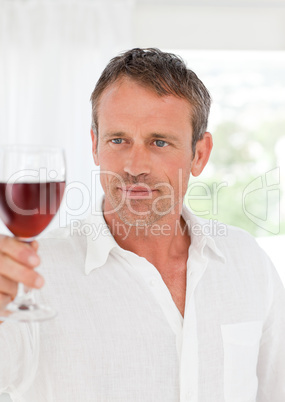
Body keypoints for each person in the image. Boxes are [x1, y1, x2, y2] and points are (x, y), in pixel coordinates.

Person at [0, 48, 284, 402]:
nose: (135, 166)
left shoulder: (249, 264)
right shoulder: (27, 278)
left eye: (159, 142)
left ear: (199, 154)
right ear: (95, 146)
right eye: (118, 140)